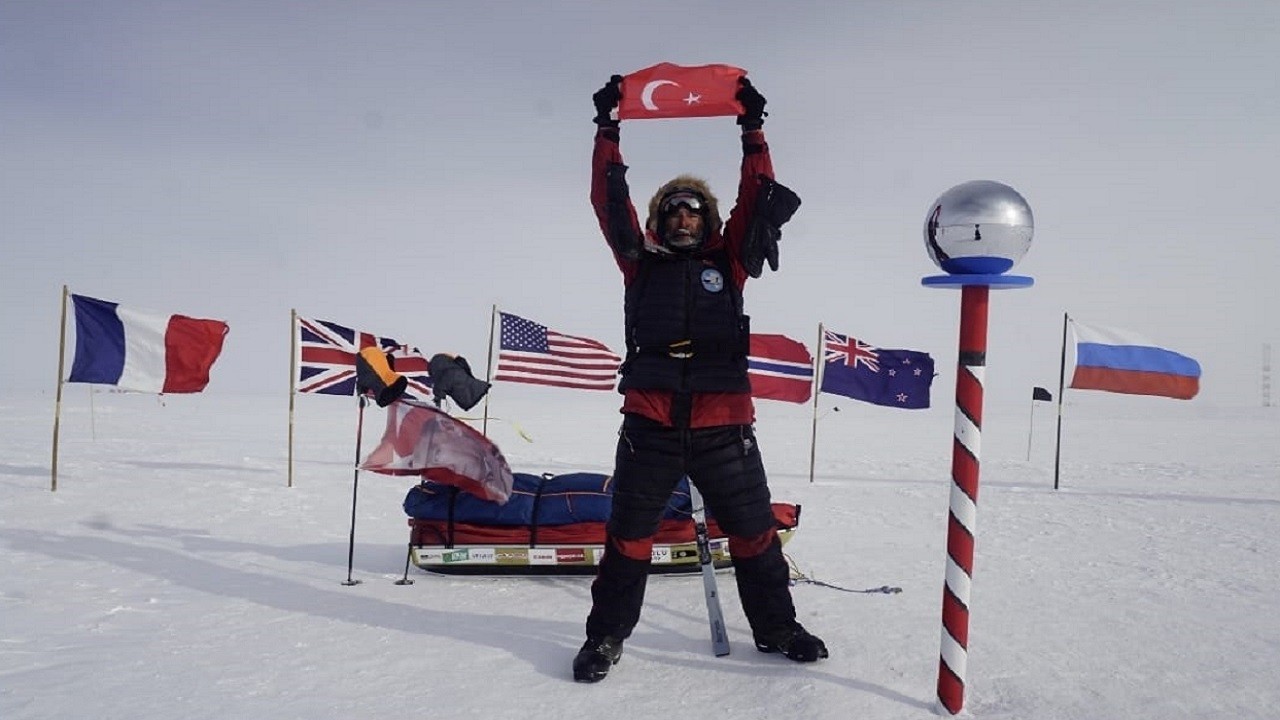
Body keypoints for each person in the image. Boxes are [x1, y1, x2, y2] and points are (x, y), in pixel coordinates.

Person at [573, 73, 825, 683]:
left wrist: (752, 129)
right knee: (629, 539)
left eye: (693, 209)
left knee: (755, 535)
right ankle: (605, 638)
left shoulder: (729, 259)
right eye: (673, 209)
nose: (683, 216)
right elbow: (609, 203)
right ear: (660, 220)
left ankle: (776, 629)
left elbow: (756, 192)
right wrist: (609, 131)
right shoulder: (638, 261)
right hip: (650, 425)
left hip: (724, 426)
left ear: (707, 219)